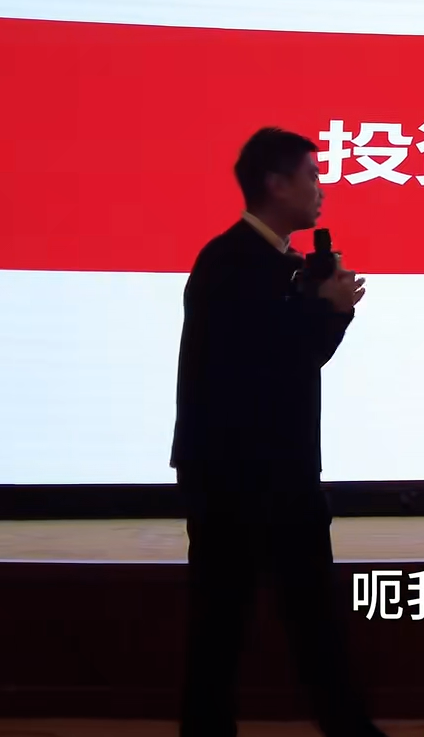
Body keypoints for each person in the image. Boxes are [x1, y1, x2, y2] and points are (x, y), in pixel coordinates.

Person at [170, 126, 386, 737]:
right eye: (311, 177)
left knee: (310, 613)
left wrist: (330, 310)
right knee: (224, 619)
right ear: (276, 184)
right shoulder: (231, 261)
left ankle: (347, 728)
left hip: (278, 469)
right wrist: (328, 309)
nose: (321, 190)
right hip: (235, 474)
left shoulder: (277, 264)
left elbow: (299, 356)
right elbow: (270, 359)